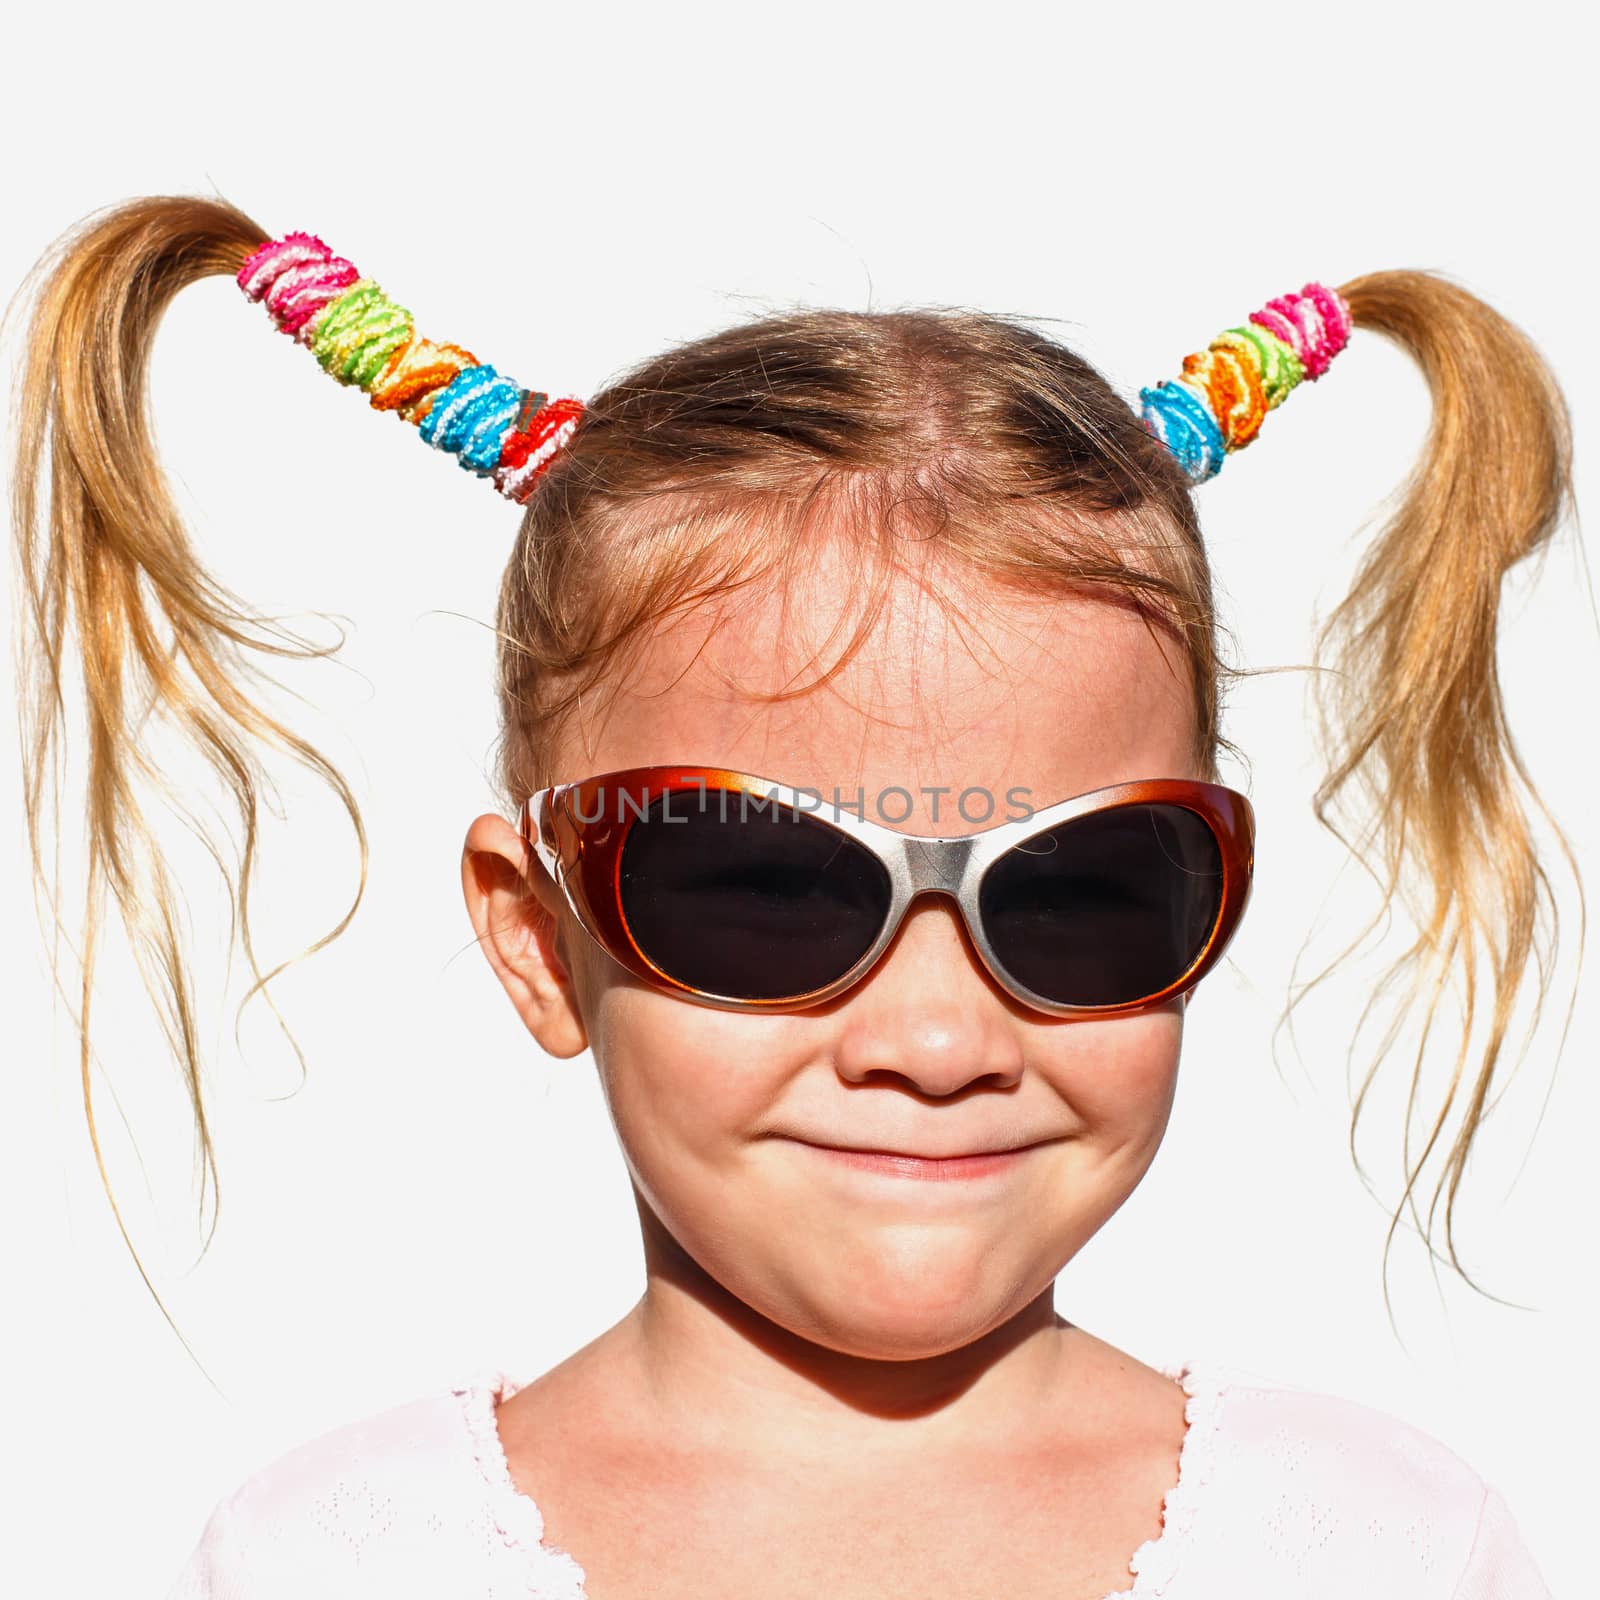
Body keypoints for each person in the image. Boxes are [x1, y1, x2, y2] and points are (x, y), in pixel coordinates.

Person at [8, 196, 1574, 1598]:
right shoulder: (319, 1566)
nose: (941, 1039)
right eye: (760, 884)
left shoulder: (1396, 1550)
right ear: (538, 938)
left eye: (1082, 890)